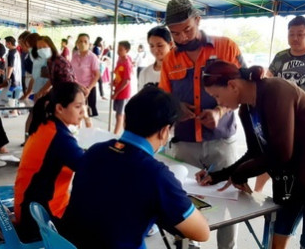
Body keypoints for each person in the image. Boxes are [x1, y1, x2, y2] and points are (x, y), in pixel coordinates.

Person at [61, 86, 210, 249]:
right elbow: (202, 233)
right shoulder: (156, 175)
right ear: (164, 131)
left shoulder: (95, 151)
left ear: (125, 120)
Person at [198, 60, 305, 249]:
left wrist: (240, 174)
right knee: (276, 238)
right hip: (292, 183)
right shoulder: (246, 110)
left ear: (232, 86)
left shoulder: (276, 90)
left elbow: (281, 153)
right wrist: (218, 176)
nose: (218, 103)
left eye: (217, 95)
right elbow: (254, 152)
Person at [159, 0, 246, 249]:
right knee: (184, 201)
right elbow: (165, 97)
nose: (183, 37)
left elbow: (245, 89)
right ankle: (189, 247)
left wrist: (219, 110)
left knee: (229, 199)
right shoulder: (170, 59)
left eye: (188, 29)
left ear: (198, 20)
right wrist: (176, 108)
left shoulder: (227, 47)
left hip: (221, 141)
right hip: (185, 143)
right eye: (176, 34)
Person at [254, 15, 305, 193]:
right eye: (292, 34)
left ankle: (300, 192)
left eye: (301, 34)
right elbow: (268, 79)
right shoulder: (281, 56)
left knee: (301, 158)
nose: (296, 38)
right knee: (273, 154)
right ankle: (257, 192)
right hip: (280, 115)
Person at [14, 82, 85, 242]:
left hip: (29, 208)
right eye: (78, 106)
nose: (83, 112)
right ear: (60, 108)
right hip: (38, 219)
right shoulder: (60, 139)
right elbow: (89, 168)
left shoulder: (46, 125)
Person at [71, 33, 100, 117]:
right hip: (76, 88)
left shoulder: (92, 57)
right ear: (77, 43)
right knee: (75, 115)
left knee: (87, 116)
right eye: (80, 41)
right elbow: (71, 72)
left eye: (85, 41)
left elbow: (97, 75)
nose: (82, 43)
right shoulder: (75, 55)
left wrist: (88, 89)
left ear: (89, 43)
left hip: (87, 89)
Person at [138, 26, 173, 91]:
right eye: (152, 46)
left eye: (160, 45)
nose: (156, 50)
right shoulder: (144, 73)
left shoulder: (178, 71)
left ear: (170, 44)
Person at [112, 40, 132, 135]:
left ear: (126, 50)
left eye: (120, 50)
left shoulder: (127, 63)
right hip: (117, 89)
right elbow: (118, 75)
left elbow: (126, 80)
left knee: (119, 114)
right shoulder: (119, 60)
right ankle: (124, 132)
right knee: (119, 114)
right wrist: (114, 82)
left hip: (123, 92)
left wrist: (117, 93)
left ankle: (115, 134)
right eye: (118, 49)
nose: (118, 51)